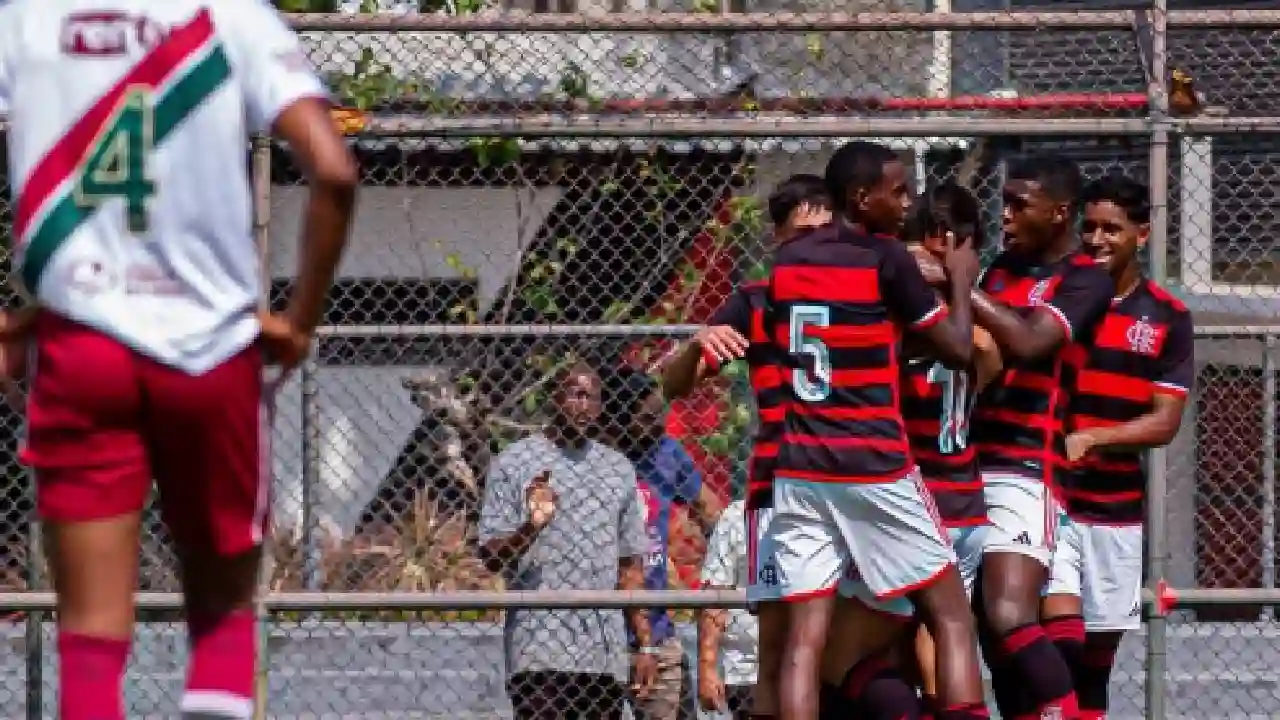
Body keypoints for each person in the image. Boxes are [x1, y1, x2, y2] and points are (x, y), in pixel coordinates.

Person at [0, 3, 357, 719]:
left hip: (83, 346)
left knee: (91, 647)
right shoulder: (231, 15)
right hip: (211, 351)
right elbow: (334, 172)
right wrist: (299, 321)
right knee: (224, 619)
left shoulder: (27, 17)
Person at [765, 141, 988, 720]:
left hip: (801, 466)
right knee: (951, 613)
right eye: (898, 192)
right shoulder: (884, 258)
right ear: (861, 199)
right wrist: (961, 279)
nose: (907, 202)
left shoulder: (788, 261)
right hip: (873, 462)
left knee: (805, 637)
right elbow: (960, 348)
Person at [664, 174, 846, 720]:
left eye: (823, 234)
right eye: (799, 236)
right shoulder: (755, 301)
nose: (812, 248)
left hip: (854, 489)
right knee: (780, 647)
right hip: (781, 492)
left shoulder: (867, 293)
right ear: (777, 240)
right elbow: (675, 385)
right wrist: (694, 345)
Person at [967, 154, 1115, 720]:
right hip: (971, 459)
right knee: (989, 629)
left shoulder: (1085, 279)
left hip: (1028, 464)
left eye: (1018, 205)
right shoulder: (1001, 270)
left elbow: (1030, 343)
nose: (1004, 215)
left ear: (1059, 213)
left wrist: (960, 285)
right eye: (1002, 202)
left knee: (1009, 613)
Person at [1042, 176, 1193, 720]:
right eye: (1090, 228)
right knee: (1057, 645)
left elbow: (1165, 422)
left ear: (1142, 235)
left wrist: (1095, 436)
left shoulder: (1167, 317)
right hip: (1051, 500)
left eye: (1113, 229)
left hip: (1116, 511)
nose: (1098, 239)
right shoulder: (1059, 294)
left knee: (1095, 661)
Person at [478, 361, 656, 720]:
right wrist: (532, 526)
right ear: (554, 399)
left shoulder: (617, 468)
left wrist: (644, 645)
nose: (585, 407)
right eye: (576, 395)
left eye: (594, 398)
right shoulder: (515, 462)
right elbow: (491, 556)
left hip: (601, 650)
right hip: (539, 646)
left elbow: (630, 566)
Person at [898, 183, 1003, 719]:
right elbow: (988, 360)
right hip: (964, 495)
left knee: (929, 629)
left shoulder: (912, 324)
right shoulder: (976, 329)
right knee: (947, 627)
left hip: (925, 499)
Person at [602, 366, 722, 720]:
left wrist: (733, 547)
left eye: (660, 414)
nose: (658, 424)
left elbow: (709, 508)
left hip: (655, 623)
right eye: (646, 417)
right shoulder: (597, 461)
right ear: (618, 418)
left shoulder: (667, 453)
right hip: (599, 628)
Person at [697, 496, 760, 720]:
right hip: (745, 669)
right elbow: (714, 591)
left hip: (801, 666)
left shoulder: (814, 512)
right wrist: (707, 666)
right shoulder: (737, 515)